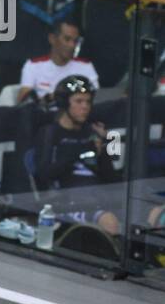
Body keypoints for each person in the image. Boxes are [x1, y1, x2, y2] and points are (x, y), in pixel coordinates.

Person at [31, 75, 120, 235]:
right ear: (65, 104)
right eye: (79, 101)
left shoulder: (92, 132)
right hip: (67, 202)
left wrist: (104, 150)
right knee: (110, 222)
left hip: (99, 198)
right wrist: (83, 150)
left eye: (88, 102)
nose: (85, 107)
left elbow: (111, 178)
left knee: (153, 212)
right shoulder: (50, 133)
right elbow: (43, 174)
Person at [17, 22, 99, 105]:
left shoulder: (85, 66)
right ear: (52, 39)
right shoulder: (33, 65)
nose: (72, 45)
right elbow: (23, 101)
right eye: (67, 39)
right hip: (42, 114)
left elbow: (95, 98)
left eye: (75, 41)